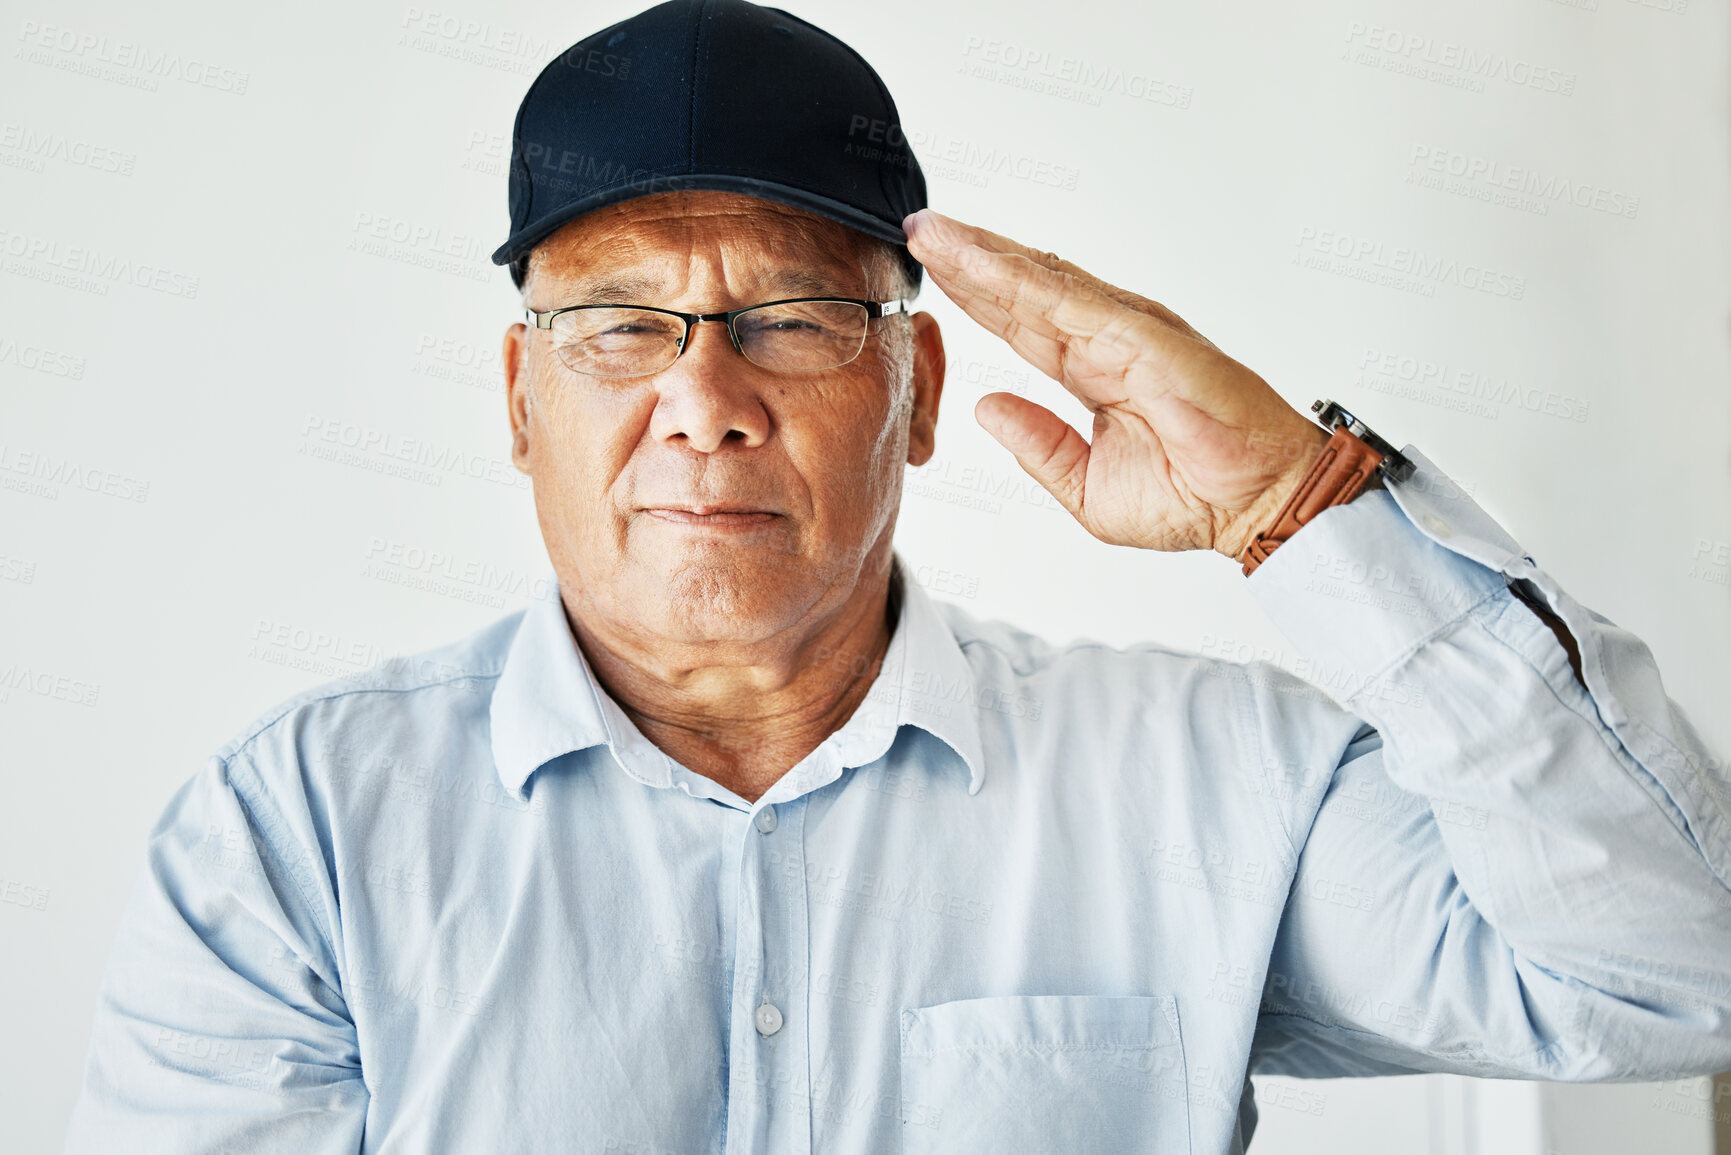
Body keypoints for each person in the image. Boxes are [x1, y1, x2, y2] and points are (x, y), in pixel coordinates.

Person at [67, 2, 1731, 1152]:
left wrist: (1300, 504)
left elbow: (1674, 980)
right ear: (522, 402)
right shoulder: (296, 837)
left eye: (792, 321)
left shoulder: (1214, 787)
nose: (705, 404)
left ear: (920, 391)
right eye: (621, 326)